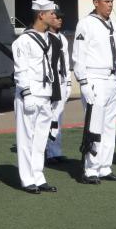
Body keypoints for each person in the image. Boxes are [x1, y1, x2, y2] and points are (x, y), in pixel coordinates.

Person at [71, 0, 116, 183]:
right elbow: (79, 55)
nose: (110, 5)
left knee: (110, 126)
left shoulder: (112, 24)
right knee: (94, 125)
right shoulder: (86, 24)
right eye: (106, 2)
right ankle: (90, 169)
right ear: (95, 2)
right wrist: (83, 82)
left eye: (111, 2)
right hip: (95, 79)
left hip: (111, 80)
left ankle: (104, 166)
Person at [12, 0, 61, 193]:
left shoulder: (50, 38)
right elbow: (20, 70)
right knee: (26, 139)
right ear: (41, 15)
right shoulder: (23, 41)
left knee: (41, 140)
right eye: (51, 13)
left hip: (45, 94)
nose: (54, 16)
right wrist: (26, 92)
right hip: (30, 95)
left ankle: (38, 176)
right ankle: (27, 179)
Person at [43, 9, 72, 166]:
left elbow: (66, 63)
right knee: (50, 117)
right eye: (57, 17)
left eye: (61, 18)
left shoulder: (62, 38)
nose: (60, 20)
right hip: (51, 82)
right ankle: (48, 152)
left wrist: (68, 82)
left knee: (58, 117)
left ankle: (56, 151)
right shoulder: (46, 38)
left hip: (61, 81)